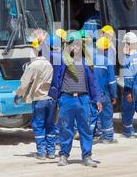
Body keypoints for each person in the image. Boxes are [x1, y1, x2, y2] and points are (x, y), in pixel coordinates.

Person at [48, 31, 102, 168]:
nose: (75, 47)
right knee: (66, 128)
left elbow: (93, 82)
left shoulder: (87, 63)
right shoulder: (62, 61)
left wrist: (97, 99)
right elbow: (55, 79)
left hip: (83, 99)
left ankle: (87, 156)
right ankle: (63, 155)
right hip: (67, 99)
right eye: (72, 44)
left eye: (77, 44)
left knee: (85, 129)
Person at [14, 38, 55, 160]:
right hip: (51, 99)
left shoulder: (33, 65)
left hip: (39, 99)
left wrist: (18, 94)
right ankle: (51, 151)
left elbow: (24, 83)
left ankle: (41, 152)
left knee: (38, 125)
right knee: (50, 125)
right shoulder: (49, 64)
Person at [93, 37, 118, 144]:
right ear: (105, 49)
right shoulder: (107, 62)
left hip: (92, 93)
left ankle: (89, 136)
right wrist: (114, 95)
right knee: (106, 114)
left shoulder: (90, 60)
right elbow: (112, 81)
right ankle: (108, 137)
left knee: (93, 115)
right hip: (104, 93)